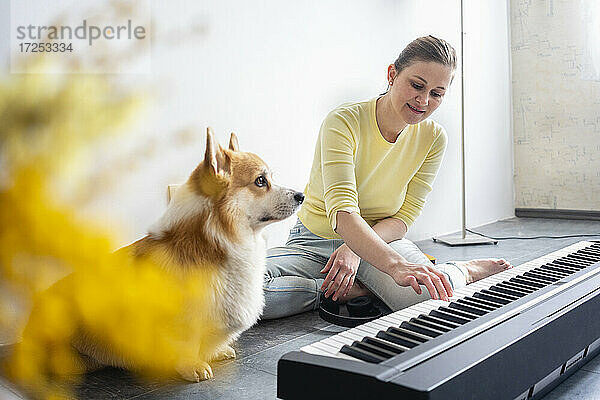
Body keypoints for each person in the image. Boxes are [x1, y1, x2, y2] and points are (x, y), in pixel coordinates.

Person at [262, 35, 512, 319]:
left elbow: (403, 219)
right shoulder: (343, 122)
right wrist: (394, 267)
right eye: (417, 85)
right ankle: (350, 290)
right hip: (312, 242)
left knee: (431, 295)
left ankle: (464, 271)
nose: (424, 100)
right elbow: (342, 213)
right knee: (232, 289)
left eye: (436, 93)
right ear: (392, 74)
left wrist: (356, 251)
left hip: (383, 242)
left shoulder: (433, 139)